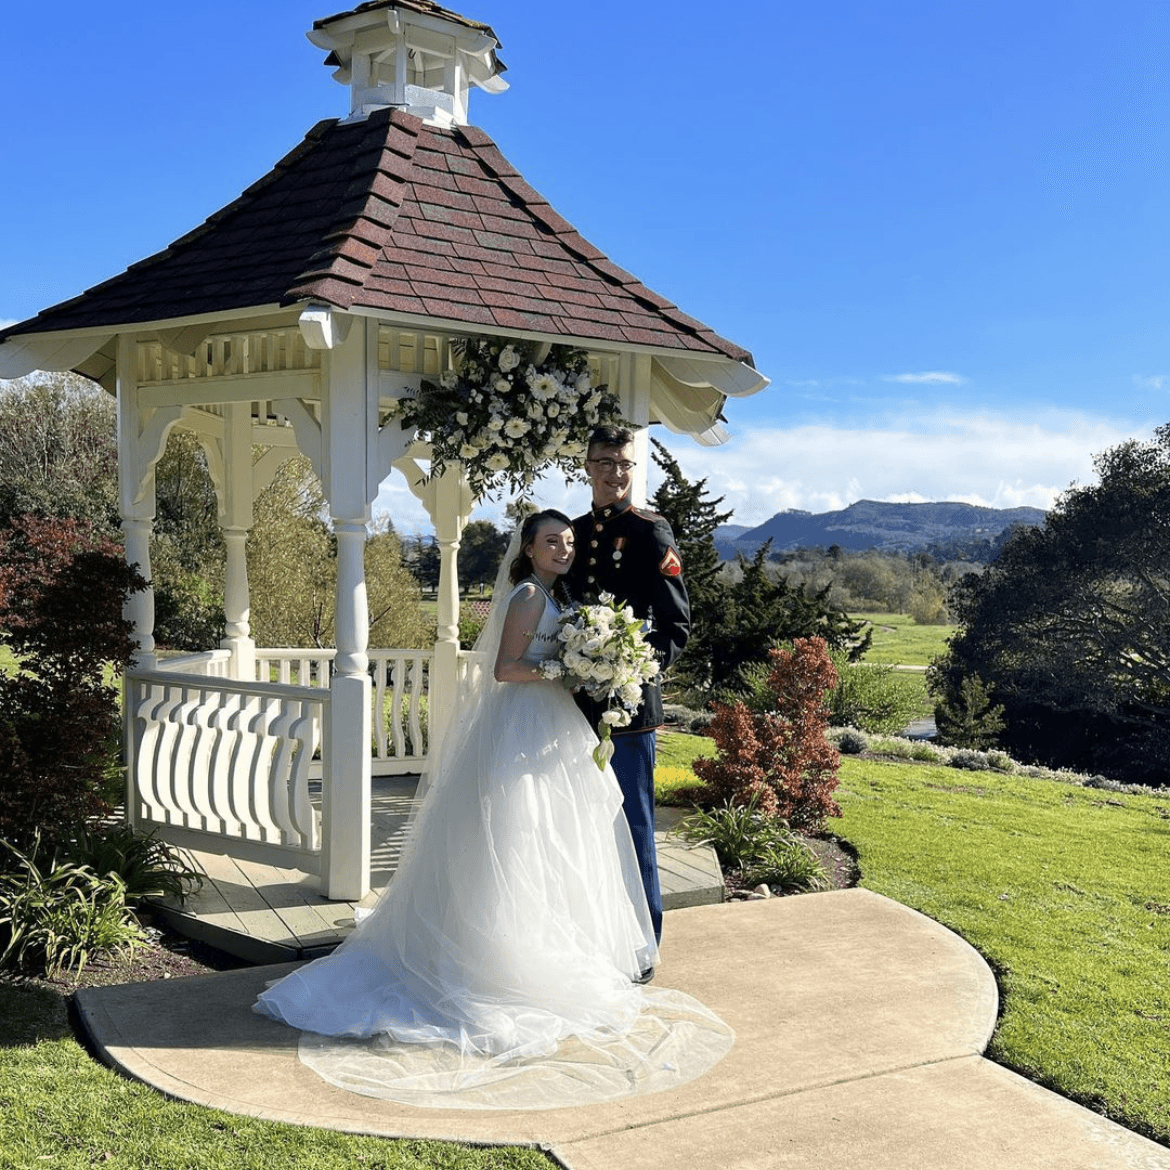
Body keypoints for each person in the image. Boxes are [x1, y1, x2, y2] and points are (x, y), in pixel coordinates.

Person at [252, 510, 731, 1111]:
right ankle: (495, 967)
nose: (564, 548)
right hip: (525, 728)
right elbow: (507, 669)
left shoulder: (554, 594)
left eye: (569, 542)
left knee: (545, 846)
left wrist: (588, 666)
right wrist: (569, 668)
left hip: (552, 728)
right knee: (517, 841)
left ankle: (539, 949)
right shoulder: (531, 595)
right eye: (551, 541)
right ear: (528, 550)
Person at [568, 425, 690, 963]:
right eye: (606, 463)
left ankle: (643, 943)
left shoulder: (651, 532)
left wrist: (634, 668)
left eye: (625, 463)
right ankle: (591, 934)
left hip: (629, 710)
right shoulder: (570, 533)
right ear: (587, 467)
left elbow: (675, 625)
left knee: (632, 823)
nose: (617, 473)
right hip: (569, 709)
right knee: (576, 824)